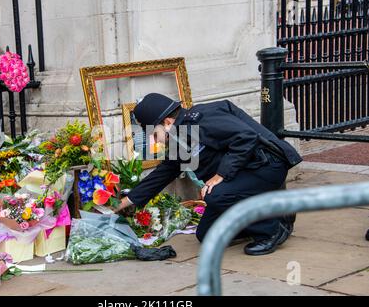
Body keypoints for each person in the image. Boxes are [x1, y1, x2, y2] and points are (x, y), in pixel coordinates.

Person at [113, 93, 302, 256]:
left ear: (167, 123)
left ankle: (271, 229)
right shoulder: (180, 137)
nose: (154, 141)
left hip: (266, 166)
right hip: (244, 172)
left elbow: (246, 137)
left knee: (215, 195)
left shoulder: (202, 118)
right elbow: (164, 173)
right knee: (207, 234)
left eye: (154, 134)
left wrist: (221, 175)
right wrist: (125, 202)